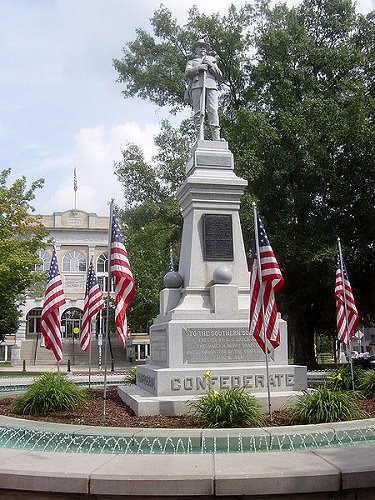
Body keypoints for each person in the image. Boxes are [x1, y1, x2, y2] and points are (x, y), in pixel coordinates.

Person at [185, 40, 222, 141]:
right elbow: (187, 73)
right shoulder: (192, 62)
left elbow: (219, 74)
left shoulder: (212, 60)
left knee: (213, 110)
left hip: (211, 86)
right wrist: (199, 68)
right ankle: (200, 135)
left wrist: (210, 65)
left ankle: (216, 137)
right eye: (200, 46)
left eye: (204, 47)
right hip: (197, 86)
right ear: (195, 49)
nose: (203, 48)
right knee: (199, 112)